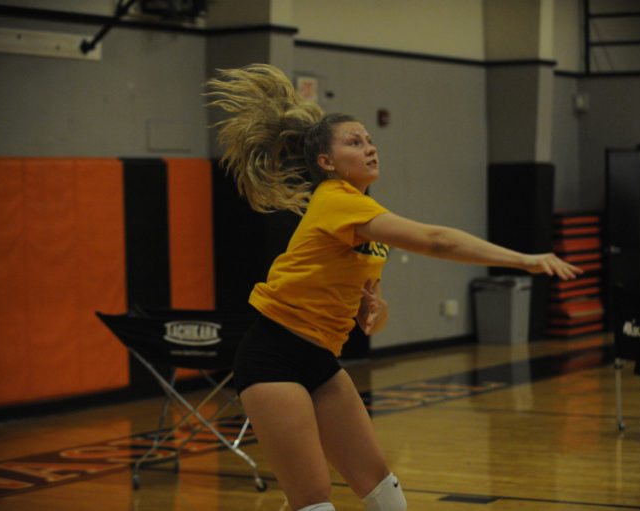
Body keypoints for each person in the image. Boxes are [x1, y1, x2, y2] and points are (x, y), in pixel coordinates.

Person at [206, 63, 582, 511]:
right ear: (325, 163)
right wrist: (523, 259)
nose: (369, 148)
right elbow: (437, 241)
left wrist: (374, 312)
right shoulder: (334, 202)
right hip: (271, 357)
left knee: (386, 496)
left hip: (320, 359)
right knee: (313, 503)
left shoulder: (367, 220)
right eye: (354, 142)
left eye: (369, 139)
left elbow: (374, 315)